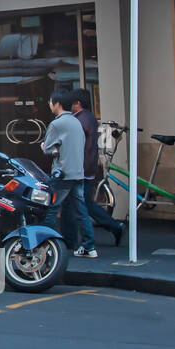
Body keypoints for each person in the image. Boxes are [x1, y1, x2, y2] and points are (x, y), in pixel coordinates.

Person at [42, 90, 96, 258]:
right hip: (78, 173)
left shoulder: (57, 124)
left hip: (62, 174)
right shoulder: (75, 122)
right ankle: (89, 246)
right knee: (81, 211)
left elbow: (49, 149)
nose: (49, 105)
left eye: (50, 102)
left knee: (51, 209)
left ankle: (47, 246)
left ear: (57, 104)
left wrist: (45, 147)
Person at [71, 88, 125, 247]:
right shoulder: (89, 118)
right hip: (87, 167)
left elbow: (80, 146)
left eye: (72, 102)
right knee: (85, 203)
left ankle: (85, 241)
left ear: (78, 103)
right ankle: (114, 226)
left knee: (79, 205)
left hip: (81, 167)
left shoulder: (81, 120)